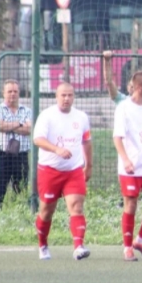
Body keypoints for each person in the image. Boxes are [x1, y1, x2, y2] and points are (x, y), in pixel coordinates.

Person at [32, 83, 93, 261]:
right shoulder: (47, 116)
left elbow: (86, 141)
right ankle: (43, 245)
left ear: (74, 97)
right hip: (49, 170)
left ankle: (78, 246)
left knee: (76, 207)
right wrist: (56, 149)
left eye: (70, 95)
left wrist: (88, 165)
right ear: (56, 97)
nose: (66, 99)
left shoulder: (81, 117)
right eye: (63, 95)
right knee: (46, 211)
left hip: (73, 170)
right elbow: (38, 139)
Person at [113, 71, 142, 262]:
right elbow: (117, 137)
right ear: (139, 87)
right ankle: (127, 248)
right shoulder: (123, 108)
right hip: (130, 166)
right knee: (131, 205)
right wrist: (125, 160)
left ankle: (140, 240)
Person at [0, 80, 33, 208]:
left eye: (15, 91)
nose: (12, 94)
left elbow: (29, 129)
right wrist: (19, 124)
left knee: (21, 188)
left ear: (19, 93)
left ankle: (19, 212)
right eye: (9, 91)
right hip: (1, 154)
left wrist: (8, 126)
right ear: (3, 93)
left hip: (21, 155)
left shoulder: (27, 110)